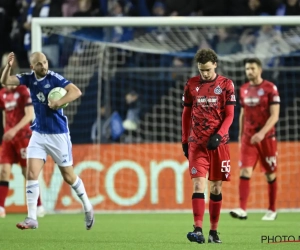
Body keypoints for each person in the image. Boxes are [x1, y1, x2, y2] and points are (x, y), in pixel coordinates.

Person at [0, 52, 95, 230]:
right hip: (39, 134)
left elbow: (76, 91)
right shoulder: (28, 79)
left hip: (58, 134)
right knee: (31, 174)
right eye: (39, 64)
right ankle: (32, 218)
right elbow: (6, 81)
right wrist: (8, 67)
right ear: (32, 67)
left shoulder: (54, 78)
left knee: (68, 176)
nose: (44, 66)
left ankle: (88, 207)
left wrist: (59, 102)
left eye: (45, 62)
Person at [182, 48, 235, 244]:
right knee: (198, 184)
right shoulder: (191, 85)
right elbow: (186, 114)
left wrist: (219, 135)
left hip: (219, 144)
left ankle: (213, 232)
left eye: (207, 69)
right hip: (197, 143)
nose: (204, 73)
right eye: (200, 70)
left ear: (215, 65)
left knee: (215, 187)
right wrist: (184, 140)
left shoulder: (226, 84)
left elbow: (230, 115)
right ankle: (198, 230)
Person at [230, 58, 280, 221]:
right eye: (247, 69)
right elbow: (243, 113)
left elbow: (274, 115)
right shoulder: (243, 89)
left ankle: (272, 209)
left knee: (270, 174)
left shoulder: (270, 88)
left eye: (252, 68)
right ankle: (242, 209)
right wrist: (240, 135)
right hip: (248, 138)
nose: (249, 71)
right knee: (245, 170)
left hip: (266, 138)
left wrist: (262, 133)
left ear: (260, 70)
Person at [0, 83, 45, 218]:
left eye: (8, 81)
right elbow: (4, 115)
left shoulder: (23, 91)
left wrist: (14, 130)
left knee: (28, 173)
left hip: (23, 137)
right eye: (4, 83)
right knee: (3, 172)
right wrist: (6, 131)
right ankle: (1, 207)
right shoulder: (2, 93)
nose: (7, 85)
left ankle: (38, 205)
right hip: (9, 139)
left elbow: (29, 115)